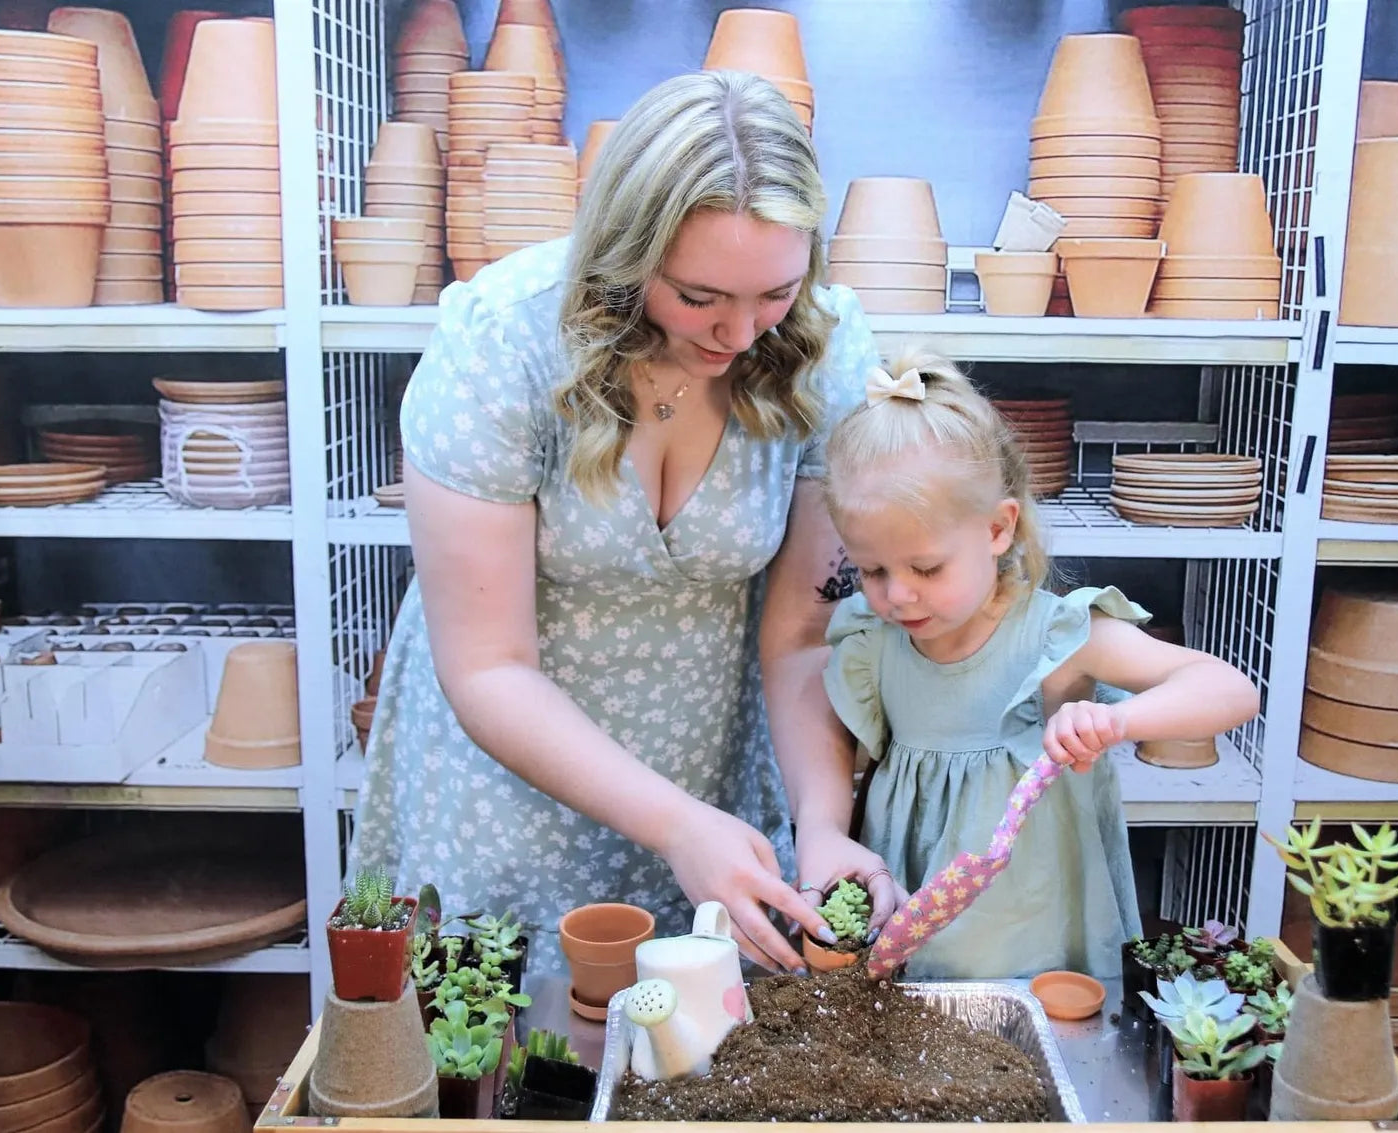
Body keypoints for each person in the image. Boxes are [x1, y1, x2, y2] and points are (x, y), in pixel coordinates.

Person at [351, 70, 907, 975]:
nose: (738, 334)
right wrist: (675, 825)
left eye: (773, 292)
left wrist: (822, 827)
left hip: (715, 772)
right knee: (515, 1057)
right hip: (509, 784)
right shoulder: (506, 340)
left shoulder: (821, 346)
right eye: (699, 297)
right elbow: (488, 665)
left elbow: (805, 629)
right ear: (625, 251)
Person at [819, 350, 1262, 978]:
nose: (898, 595)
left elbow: (1229, 689)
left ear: (999, 529)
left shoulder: (1055, 638)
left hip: (1038, 943)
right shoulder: (874, 643)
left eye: (926, 568)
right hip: (912, 934)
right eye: (872, 570)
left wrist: (1115, 723)